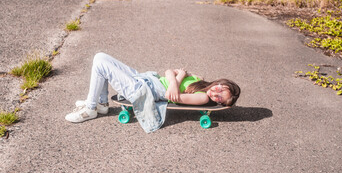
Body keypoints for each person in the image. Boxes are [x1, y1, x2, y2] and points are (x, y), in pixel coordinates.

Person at [65, 53, 240, 132]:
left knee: (100, 61)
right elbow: (168, 71)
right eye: (220, 89)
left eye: (219, 99)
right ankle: (101, 105)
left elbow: (175, 98)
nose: (215, 94)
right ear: (221, 82)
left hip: (143, 89)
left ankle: (91, 108)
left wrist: (178, 78)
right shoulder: (200, 80)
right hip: (144, 79)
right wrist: (175, 80)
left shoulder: (202, 97)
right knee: (101, 58)